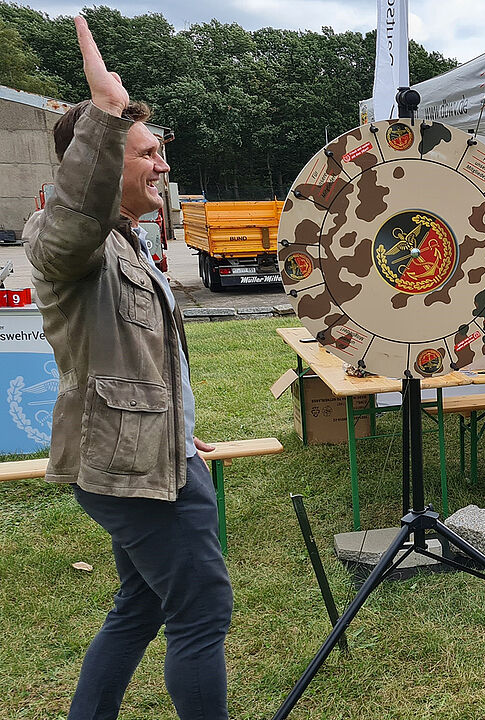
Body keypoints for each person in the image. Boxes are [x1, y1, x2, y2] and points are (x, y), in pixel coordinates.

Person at [23, 17, 232, 720]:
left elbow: (141, 361)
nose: (163, 166)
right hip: (139, 476)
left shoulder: (127, 243)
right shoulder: (66, 241)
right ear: (105, 159)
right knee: (202, 611)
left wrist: (174, 427)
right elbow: (71, 222)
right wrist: (107, 115)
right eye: (147, 152)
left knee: (141, 604)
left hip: (153, 455)